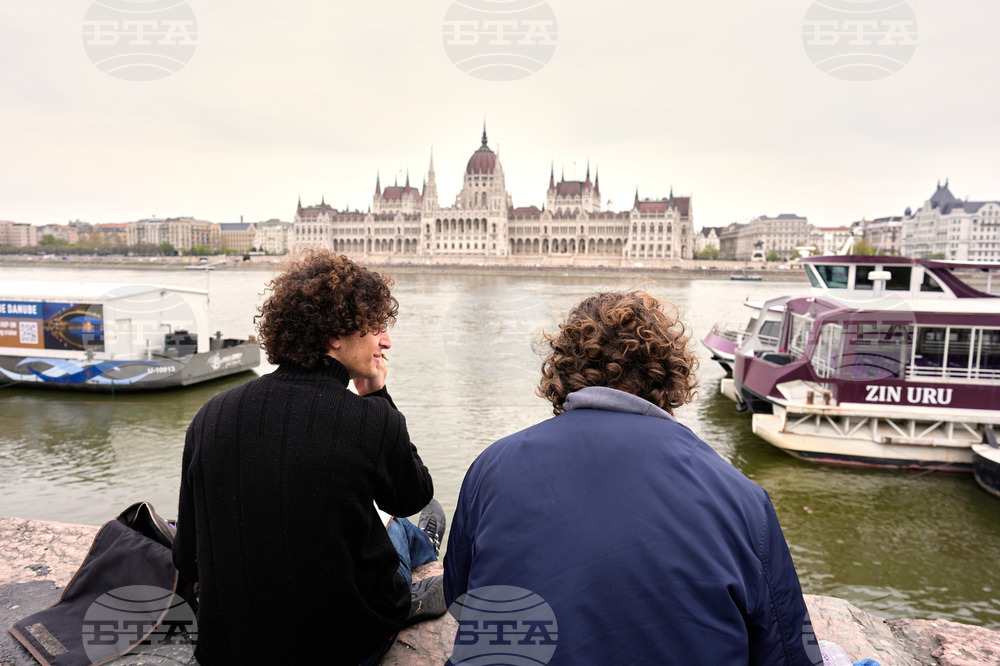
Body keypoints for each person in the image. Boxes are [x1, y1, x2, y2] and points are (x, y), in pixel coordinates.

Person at [443, 290, 816, 665]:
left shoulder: (491, 467)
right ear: (671, 375)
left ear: (565, 370)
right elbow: (786, 650)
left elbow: (457, 594)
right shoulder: (740, 497)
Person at [173, 249, 445, 666]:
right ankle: (420, 553)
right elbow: (412, 494)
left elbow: (188, 556)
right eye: (375, 328)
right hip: (343, 647)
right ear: (336, 336)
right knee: (409, 523)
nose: (385, 341)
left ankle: (417, 539)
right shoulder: (370, 421)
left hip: (227, 649)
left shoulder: (211, 414)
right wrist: (377, 395)